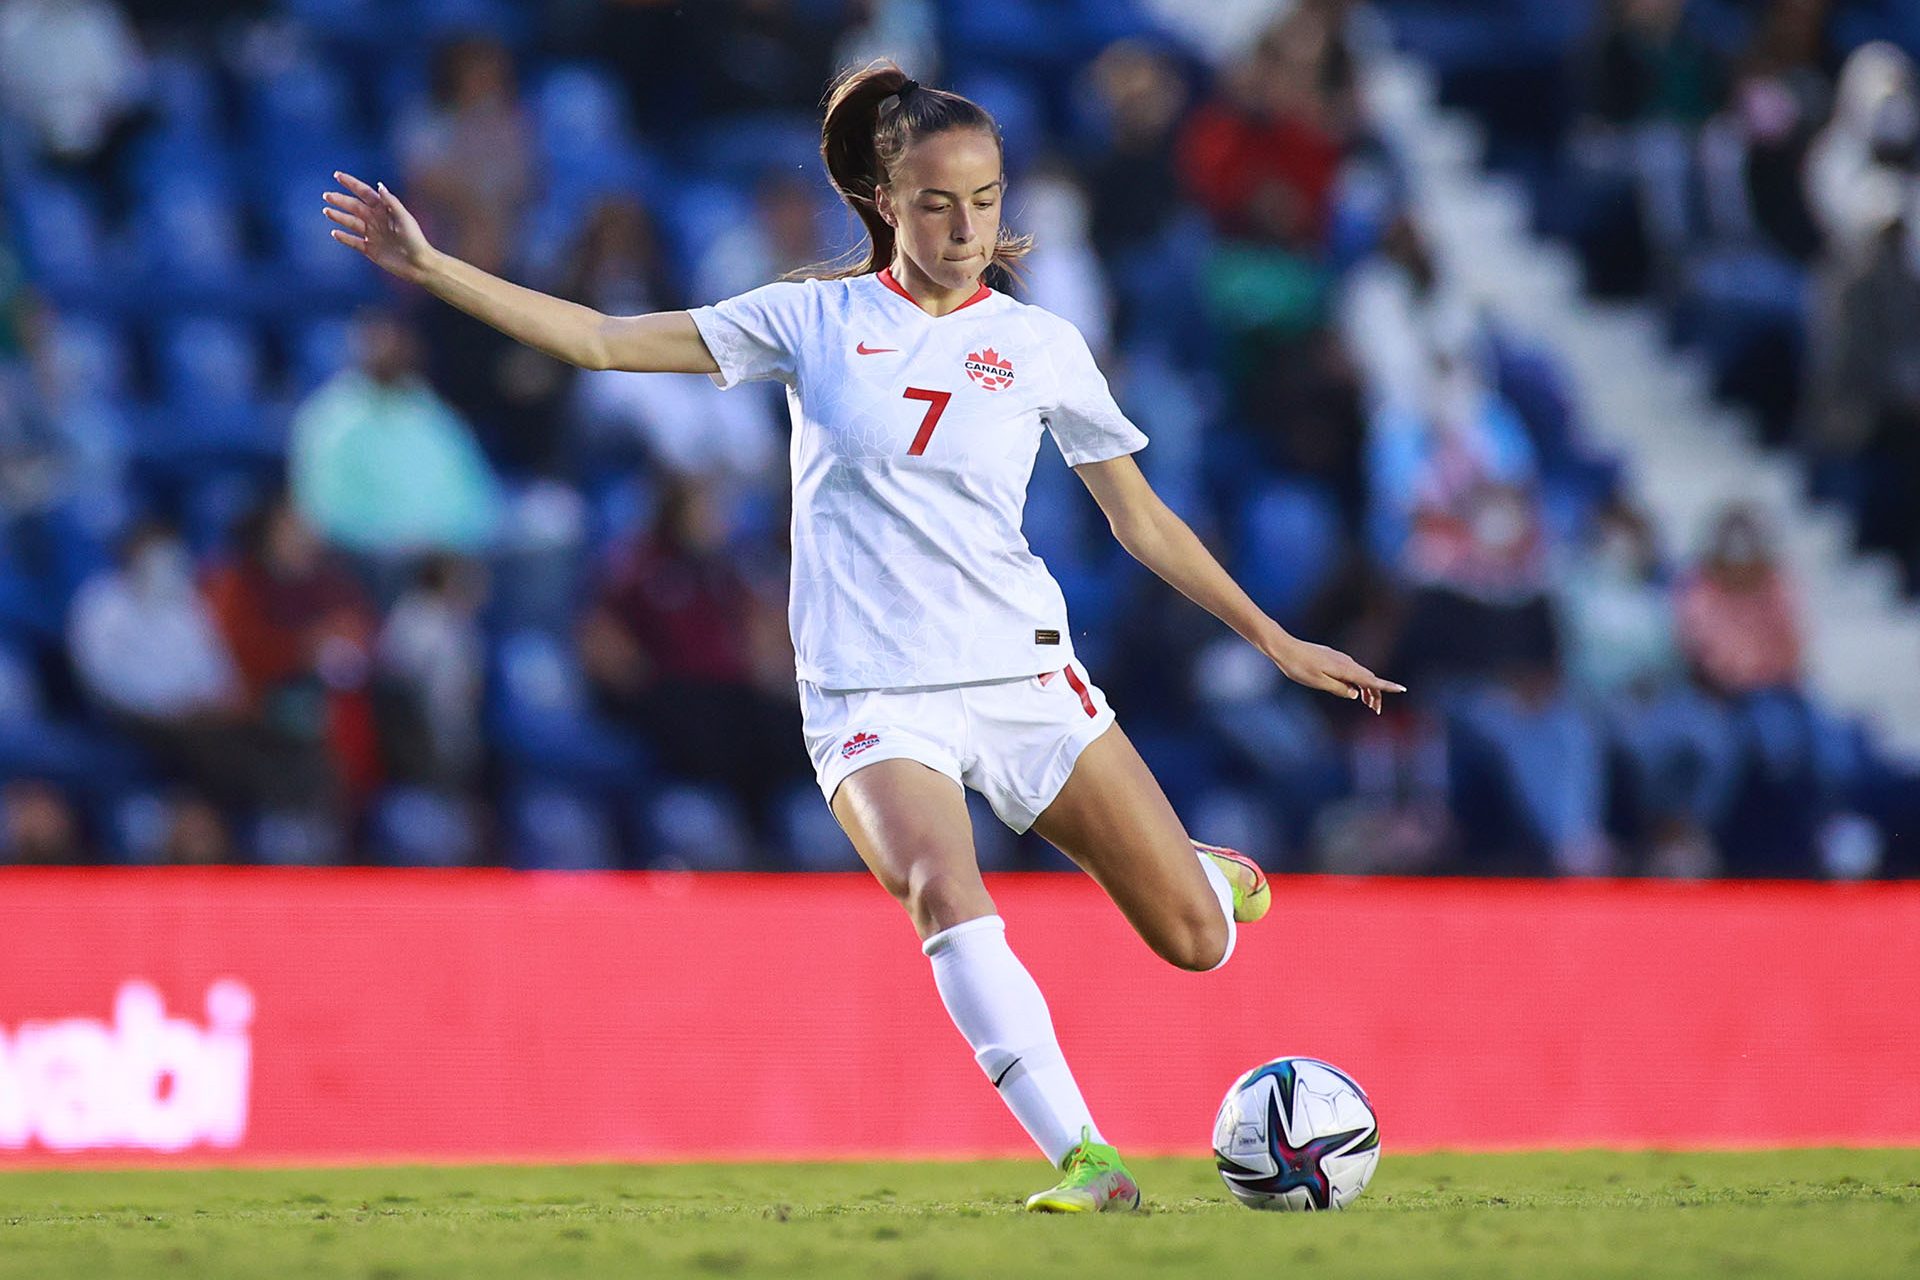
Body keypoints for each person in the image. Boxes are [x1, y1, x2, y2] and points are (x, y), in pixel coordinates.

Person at [323, 60, 1402, 1212]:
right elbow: (596, 338)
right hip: (872, 692)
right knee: (941, 882)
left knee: (1192, 940)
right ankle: (1086, 1157)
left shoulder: (1040, 345)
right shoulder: (811, 317)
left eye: (985, 200)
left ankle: (1201, 876)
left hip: (1024, 672)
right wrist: (431, 267)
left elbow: (1139, 522)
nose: (964, 225)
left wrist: (1277, 639)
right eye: (937, 202)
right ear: (886, 200)